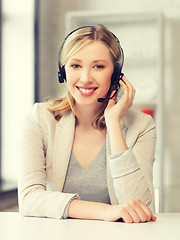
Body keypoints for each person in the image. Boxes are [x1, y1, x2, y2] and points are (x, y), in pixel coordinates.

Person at [18, 24, 157, 223]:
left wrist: (114, 124)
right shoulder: (39, 118)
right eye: (75, 65)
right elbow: (29, 198)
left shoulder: (142, 126)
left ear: (116, 74)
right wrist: (105, 212)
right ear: (63, 71)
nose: (85, 78)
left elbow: (138, 205)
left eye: (98, 66)